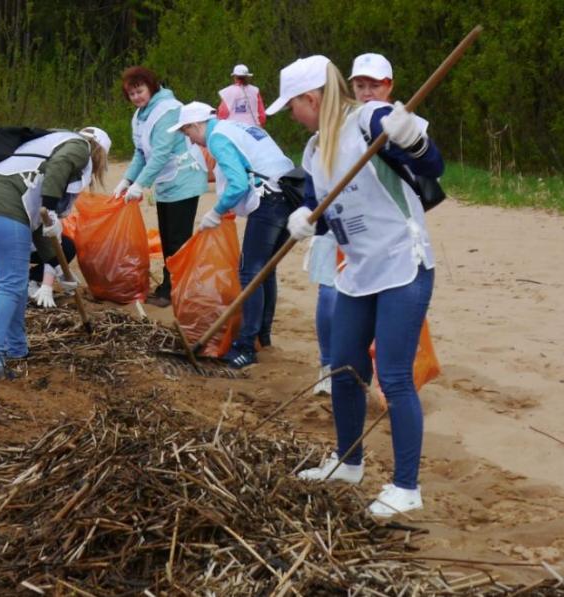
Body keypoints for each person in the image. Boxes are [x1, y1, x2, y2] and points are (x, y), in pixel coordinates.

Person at [268, 55, 444, 517]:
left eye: (293, 106)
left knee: (394, 375)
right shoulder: (313, 148)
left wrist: (415, 140)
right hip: (359, 270)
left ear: (311, 98)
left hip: (403, 264)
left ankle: (406, 487)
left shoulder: (370, 119)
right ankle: (348, 461)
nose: (293, 115)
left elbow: (434, 164)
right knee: (344, 367)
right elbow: (322, 209)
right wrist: (304, 220)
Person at [0, 127, 111, 379]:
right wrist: (51, 208)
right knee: (11, 284)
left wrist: (58, 267)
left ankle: (16, 348)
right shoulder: (80, 146)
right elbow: (60, 166)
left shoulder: (46, 146)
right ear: (100, 152)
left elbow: (37, 230)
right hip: (3, 205)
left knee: (16, 281)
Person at [167, 101, 296, 369]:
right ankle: (262, 337)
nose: (189, 139)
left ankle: (246, 347)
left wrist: (216, 211)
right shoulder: (234, 127)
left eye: (186, 132)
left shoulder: (217, 137)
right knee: (265, 271)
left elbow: (237, 183)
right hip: (289, 194)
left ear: (195, 125)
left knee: (250, 273)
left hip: (270, 200)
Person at [307, 52, 397, 396]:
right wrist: (309, 213)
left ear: (389, 87)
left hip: (378, 238)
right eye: (360, 85)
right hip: (337, 227)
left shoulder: (391, 124)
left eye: (374, 85)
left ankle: (381, 377)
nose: (367, 92)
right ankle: (329, 365)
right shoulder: (339, 124)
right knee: (329, 296)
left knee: (379, 309)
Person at [111, 66, 208, 307]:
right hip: (166, 182)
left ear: (151, 87)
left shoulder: (167, 109)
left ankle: (175, 290)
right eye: (131, 94)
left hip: (184, 178)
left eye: (140, 91)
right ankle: (169, 286)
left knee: (177, 239)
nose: (136, 97)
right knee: (166, 237)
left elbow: (161, 153)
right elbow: (141, 153)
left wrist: (140, 185)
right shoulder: (141, 115)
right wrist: (127, 180)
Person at [0, 226, 78, 308]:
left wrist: (47, 284)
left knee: (67, 247)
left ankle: (32, 280)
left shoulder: (47, 213)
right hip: (1, 240)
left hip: (33, 243)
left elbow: (53, 248)